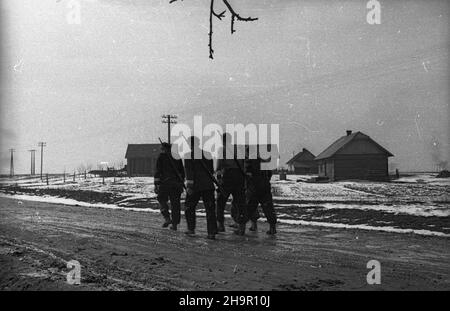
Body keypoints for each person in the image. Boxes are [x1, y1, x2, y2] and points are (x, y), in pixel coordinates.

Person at [184, 136, 218, 240]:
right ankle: (211, 233)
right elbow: (211, 170)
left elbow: (189, 172)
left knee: (189, 207)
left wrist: (189, 186)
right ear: (198, 143)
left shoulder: (188, 155)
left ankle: (191, 229)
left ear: (190, 144)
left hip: (195, 186)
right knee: (210, 209)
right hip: (208, 185)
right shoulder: (207, 154)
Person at [215, 133, 246, 233]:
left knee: (220, 202)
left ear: (222, 140)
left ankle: (220, 225)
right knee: (240, 202)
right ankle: (241, 226)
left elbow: (219, 165)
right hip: (239, 177)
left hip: (228, 176)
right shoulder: (238, 148)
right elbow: (243, 163)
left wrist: (219, 178)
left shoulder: (222, 149)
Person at [242, 151, 277, 235]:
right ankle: (272, 227)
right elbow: (269, 173)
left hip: (254, 187)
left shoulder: (248, 161)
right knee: (268, 207)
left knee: (249, 208)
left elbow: (246, 173)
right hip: (265, 186)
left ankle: (242, 228)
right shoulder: (264, 161)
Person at [154, 142, 185, 231]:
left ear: (164, 149)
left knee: (161, 199)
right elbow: (182, 172)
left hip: (165, 184)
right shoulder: (177, 157)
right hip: (176, 184)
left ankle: (167, 218)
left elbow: (158, 171)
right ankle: (174, 224)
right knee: (175, 204)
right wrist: (181, 183)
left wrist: (156, 184)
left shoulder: (161, 157)